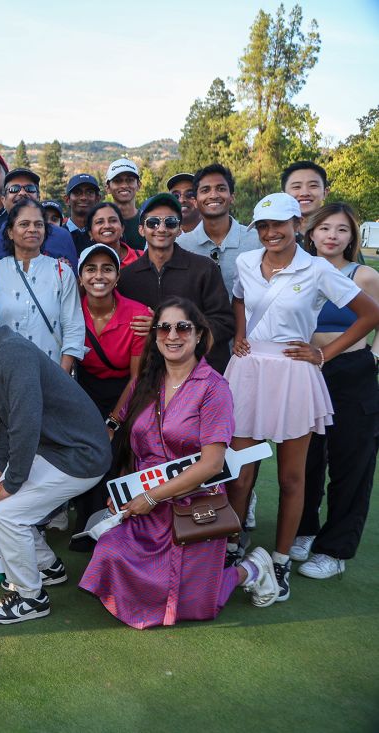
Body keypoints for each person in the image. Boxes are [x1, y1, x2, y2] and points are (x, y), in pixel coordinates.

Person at [79, 298, 279, 627]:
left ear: (199, 334)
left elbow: (213, 464)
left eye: (183, 327)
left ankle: (251, 569)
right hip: (145, 505)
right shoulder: (144, 383)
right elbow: (122, 433)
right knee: (110, 552)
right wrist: (122, 492)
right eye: (164, 328)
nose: (173, 335)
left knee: (198, 605)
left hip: (193, 508)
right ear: (155, 337)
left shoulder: (214, 389)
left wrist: (151, 496)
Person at [224, 192, 379, 602]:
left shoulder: (316, 269)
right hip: (249, 369)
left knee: (294, 478)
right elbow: (240, 297)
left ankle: (278, 561)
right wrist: (241, 334)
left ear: (297, 226)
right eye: (263, 226)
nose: (271, 233)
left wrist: (324, 353)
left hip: (295, 373)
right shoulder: (245, 261)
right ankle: (230, 549)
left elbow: (371, 313)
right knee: (239, 475)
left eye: (279, 225)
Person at [0, 278, 110, 625]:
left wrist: (14, 479)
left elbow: (25, 421)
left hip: (82, 455)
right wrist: (0, 468)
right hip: (58, 448)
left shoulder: (8, 351)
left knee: (6, 511)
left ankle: (30, 598)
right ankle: (47, 566)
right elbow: (9, 418)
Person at [298, 204, 379, 578]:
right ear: (311, 233)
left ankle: (334, 550)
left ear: (352, 237)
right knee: (305, 457)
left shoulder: (364, 275)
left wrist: (373, 359)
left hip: (352, 373)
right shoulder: (298, 270)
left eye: (342, 229)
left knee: (351, 461)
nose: (332, 235)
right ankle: (304, 529)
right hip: (306, 373)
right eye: (325, 227)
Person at [69, 244, 151, 543]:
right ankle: (84, 523)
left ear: (117, 276)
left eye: (107, 269)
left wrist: (114, 423)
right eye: (90, 269)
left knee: (113, 450)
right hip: (85, 390)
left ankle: (113, 525)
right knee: (85, 448)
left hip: (127, 392)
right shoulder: (71, 310)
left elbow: (137, 378)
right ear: (80, 277)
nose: (98, 276)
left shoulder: (137, 314)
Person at [115, 193, 235, 373]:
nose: (161, 228)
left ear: (179, 229)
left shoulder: (204, 269)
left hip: (201, 374)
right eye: (153, 222)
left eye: (170, 222)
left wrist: (165, 327)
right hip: (150, 377)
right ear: (141, 229)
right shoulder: (126, 278)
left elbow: (224, 323)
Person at [0, 200, 85, 371]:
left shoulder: (62, 272)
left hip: (53, 373)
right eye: (24, 224)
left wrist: (62, 375)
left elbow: (73, 326)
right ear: (10, 232)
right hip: (6, 373)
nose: (32, 229)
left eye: (38, 224)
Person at [176, 164, 260, 293]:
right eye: (205, 190)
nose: (213, 195)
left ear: (232, 197)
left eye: (221, 188)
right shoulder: (181, 245)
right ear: (195, 201)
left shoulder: (257, 241)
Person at [0, 168, 79, 270]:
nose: (22, 193)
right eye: (14, 189)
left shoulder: (62, 237)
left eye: (29, 188)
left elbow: (73, 281)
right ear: (3, 200)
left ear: (38, 198)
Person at [86, 202, 143, 268]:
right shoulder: (83, 262)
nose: (107, 226)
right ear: (90, 233)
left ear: (122, 228)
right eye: (100, 222)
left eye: (113, 220)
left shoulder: (143, 258)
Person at [104, 158, 145, 250]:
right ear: (107, 187)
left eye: (130, 180)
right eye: (117, 181)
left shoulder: (149, 222)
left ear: (138, 185)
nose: (124, 185)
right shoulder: (101, 225)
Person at [64, 173, 102, 238]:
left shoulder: (104, 234)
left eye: (89, 192)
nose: (83, 197)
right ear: (67, 200)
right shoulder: (58, 235)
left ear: (97, 199)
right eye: (77, 193)